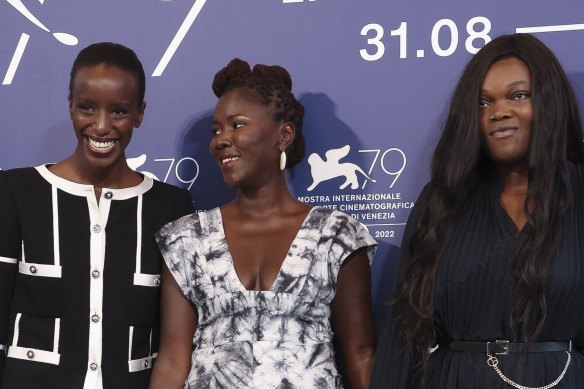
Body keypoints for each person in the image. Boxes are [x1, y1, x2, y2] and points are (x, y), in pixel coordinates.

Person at [370, 33, 584, 388]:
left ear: (549, 101)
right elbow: (403, 336)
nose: (498, 112)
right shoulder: (442, 200)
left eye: (518, 95)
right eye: (483, 103)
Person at [149, 58, 377, 389]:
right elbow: (172, 361)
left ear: (284, 135)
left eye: (237, 125)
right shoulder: (186, 239)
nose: (221, 140)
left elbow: (361, 354)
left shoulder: (337, 237)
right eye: (216, 130)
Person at [0, 42, 194, 389]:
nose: (101, 126)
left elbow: (174, 345)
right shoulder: (15, 192)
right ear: (70, 107)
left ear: (140, 113)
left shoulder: (171, 207)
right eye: (87, 108)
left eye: (119, 111)